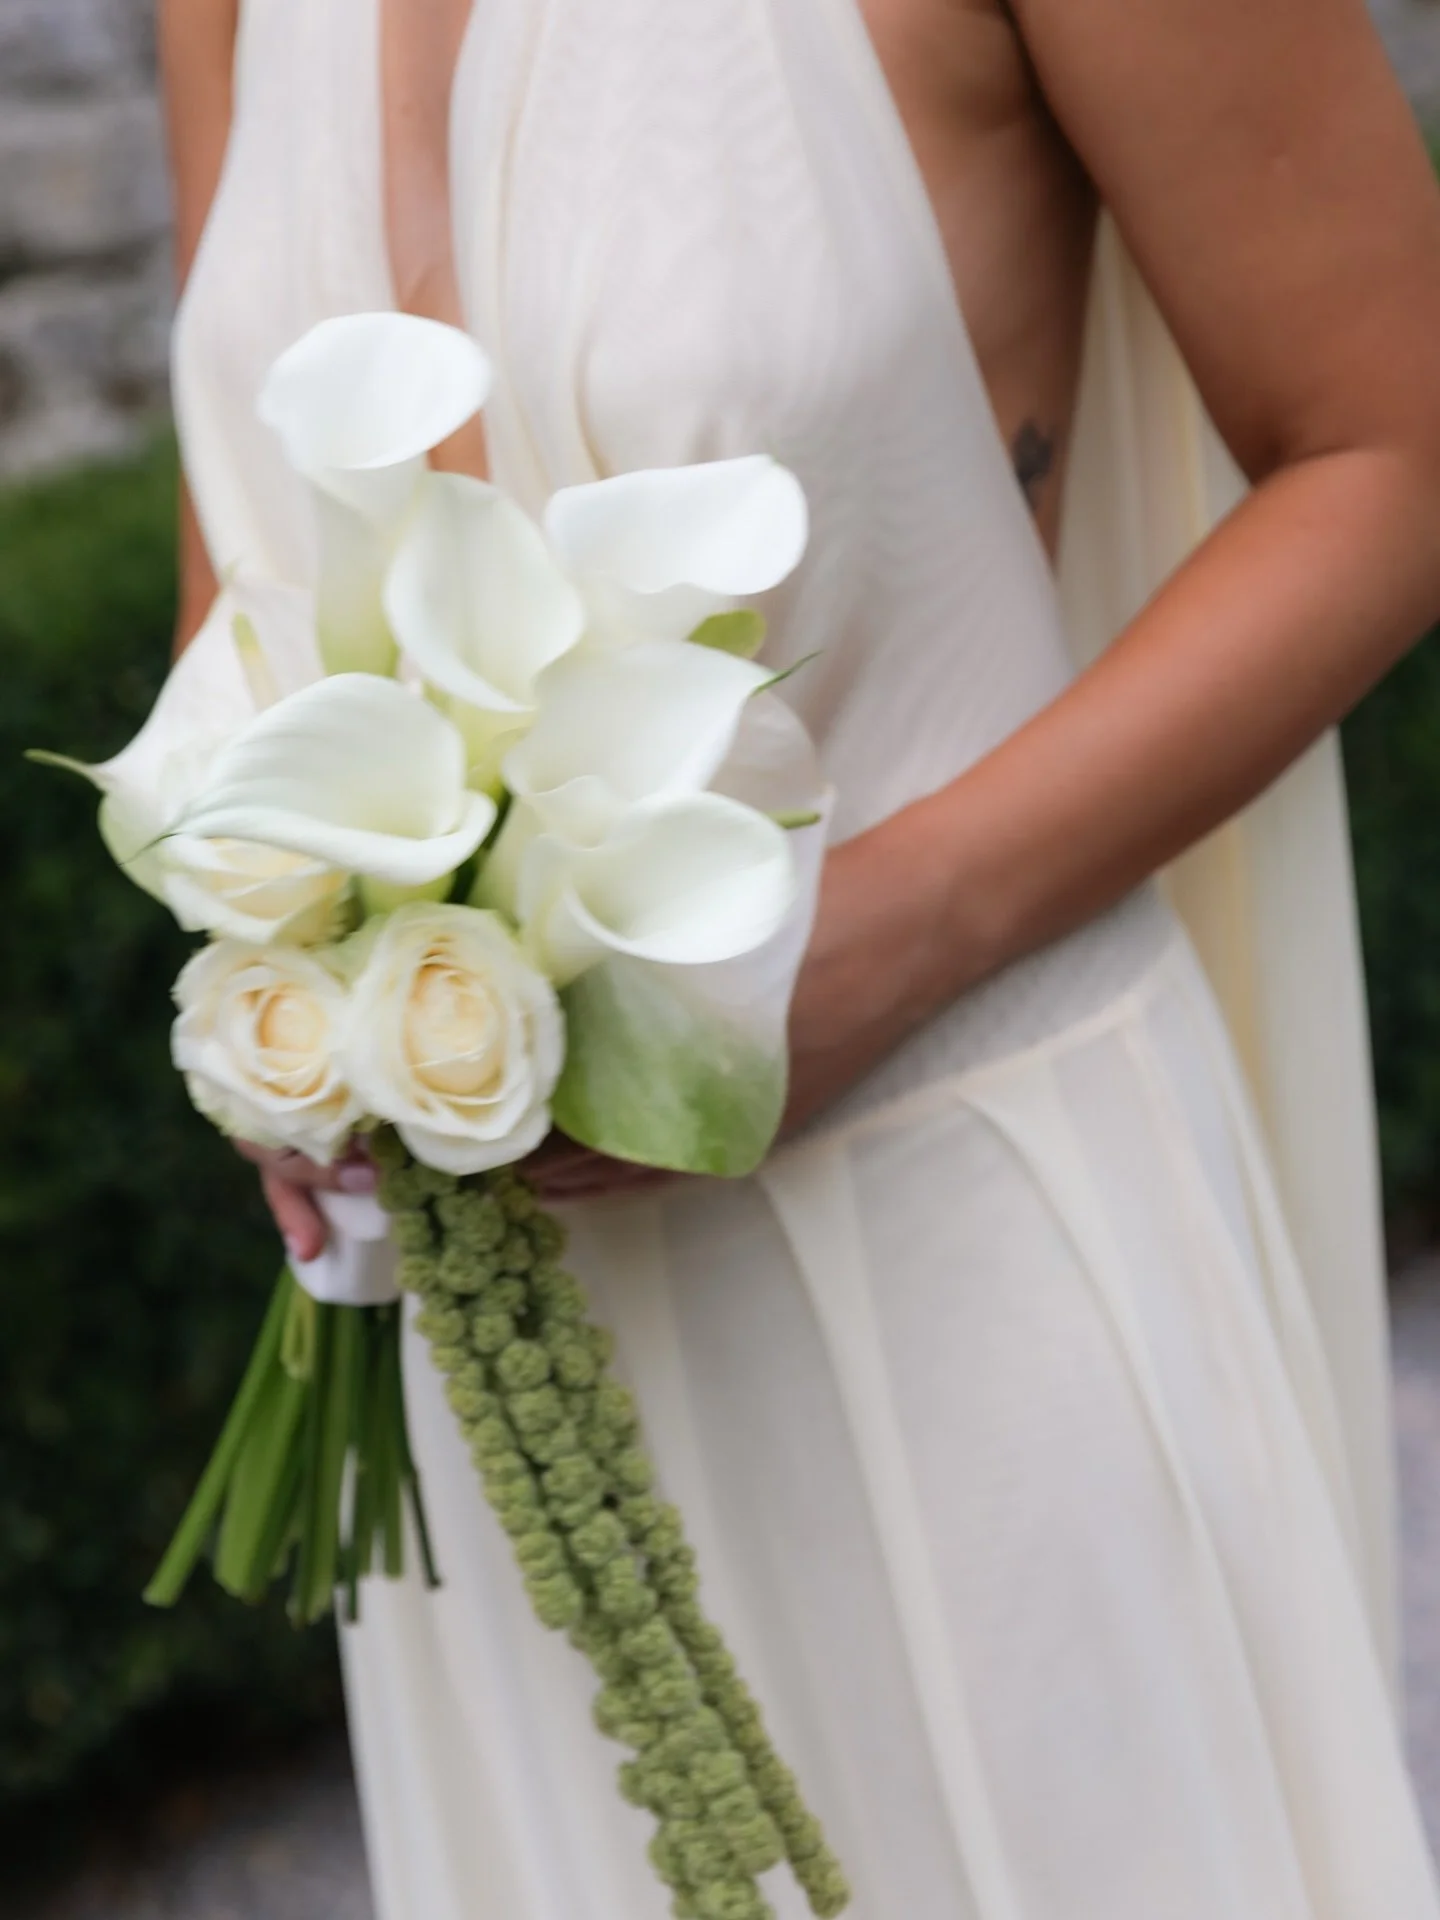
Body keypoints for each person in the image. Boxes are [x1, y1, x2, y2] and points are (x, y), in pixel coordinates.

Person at [159, 0, 1440, 1912]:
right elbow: (249, 553)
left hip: (967, 1256)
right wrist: (279, 970)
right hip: (500, 1365)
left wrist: (894, 933)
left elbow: (1391, 443)